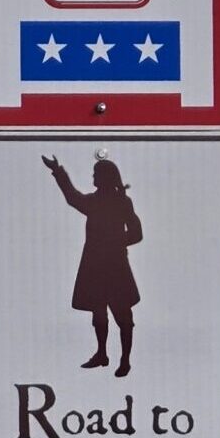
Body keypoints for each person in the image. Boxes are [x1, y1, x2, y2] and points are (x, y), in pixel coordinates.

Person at [42, 153, 143, 378]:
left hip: (116, 267)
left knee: (123, 316)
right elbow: (72, 197)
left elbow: (137, 233)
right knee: (98, 313)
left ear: (106, 177)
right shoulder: (93, 202)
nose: (93, 177)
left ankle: (125, 360)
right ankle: (101, 353)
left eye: (96, 174)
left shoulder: (122, 202)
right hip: (95, 267)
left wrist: (117, 242)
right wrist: (58, 171)